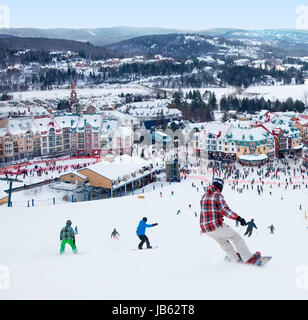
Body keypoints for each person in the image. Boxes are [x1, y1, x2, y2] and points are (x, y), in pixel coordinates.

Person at [200, 178, 261, 264]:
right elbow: (224, 210)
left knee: (223, 242)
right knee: (236, 237)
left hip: (205, 228)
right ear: (221, 187)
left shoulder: (204, 195)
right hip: (215, 225)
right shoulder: (217, 195)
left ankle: (234, 259)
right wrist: (238, 218)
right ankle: (248, 259)